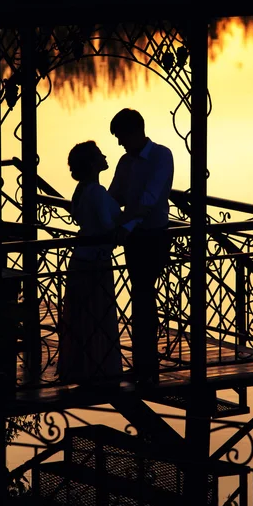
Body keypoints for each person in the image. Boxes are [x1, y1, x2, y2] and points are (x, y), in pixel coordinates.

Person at [108, 108, 174, 386]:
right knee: (140, 295)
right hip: (134, 237)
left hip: (154, 235)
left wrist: (123, 220)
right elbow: (115, 196)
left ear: (136, 131)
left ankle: (146, 360)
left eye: (122, 137)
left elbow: (149, 198)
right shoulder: (125, 162)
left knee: (144, 293)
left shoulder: (161, 155)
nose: (120, 143)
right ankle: (143, 358)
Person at [57, 141, 123, 385]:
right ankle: (100, 367)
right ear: (93, 164)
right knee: (97, 315)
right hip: (96, 260)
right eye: (99, 155)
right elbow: (107, 225)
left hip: (80, 258)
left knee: (82, 317)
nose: (105, 156)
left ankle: (83, 367)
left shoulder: (82, 189)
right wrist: (130, 221)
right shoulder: (96, 191)